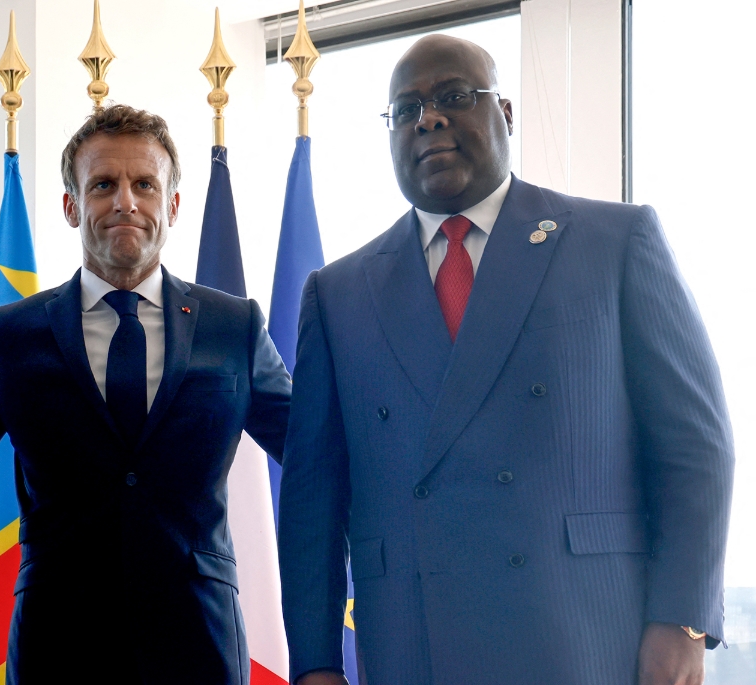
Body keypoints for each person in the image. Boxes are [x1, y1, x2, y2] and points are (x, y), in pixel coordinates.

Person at [277, 35, 733, 685]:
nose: (428, 118)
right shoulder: (338, 293)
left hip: (589, 638)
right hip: (415, 644)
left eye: (454, 97)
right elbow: (312, 501)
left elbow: (696, 445)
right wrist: (317, 662)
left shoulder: (616, 242)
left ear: (508, 113)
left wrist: (684, 622)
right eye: (405, 110)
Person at [0, 104, 291, 683]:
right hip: (58, 644)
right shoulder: (11, 334)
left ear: (172, 205)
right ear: (71, 206)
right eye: (103, 184)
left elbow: (312, 446)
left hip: (198, 644)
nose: (125, 201)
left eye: (145, 185)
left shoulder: (234, 326)